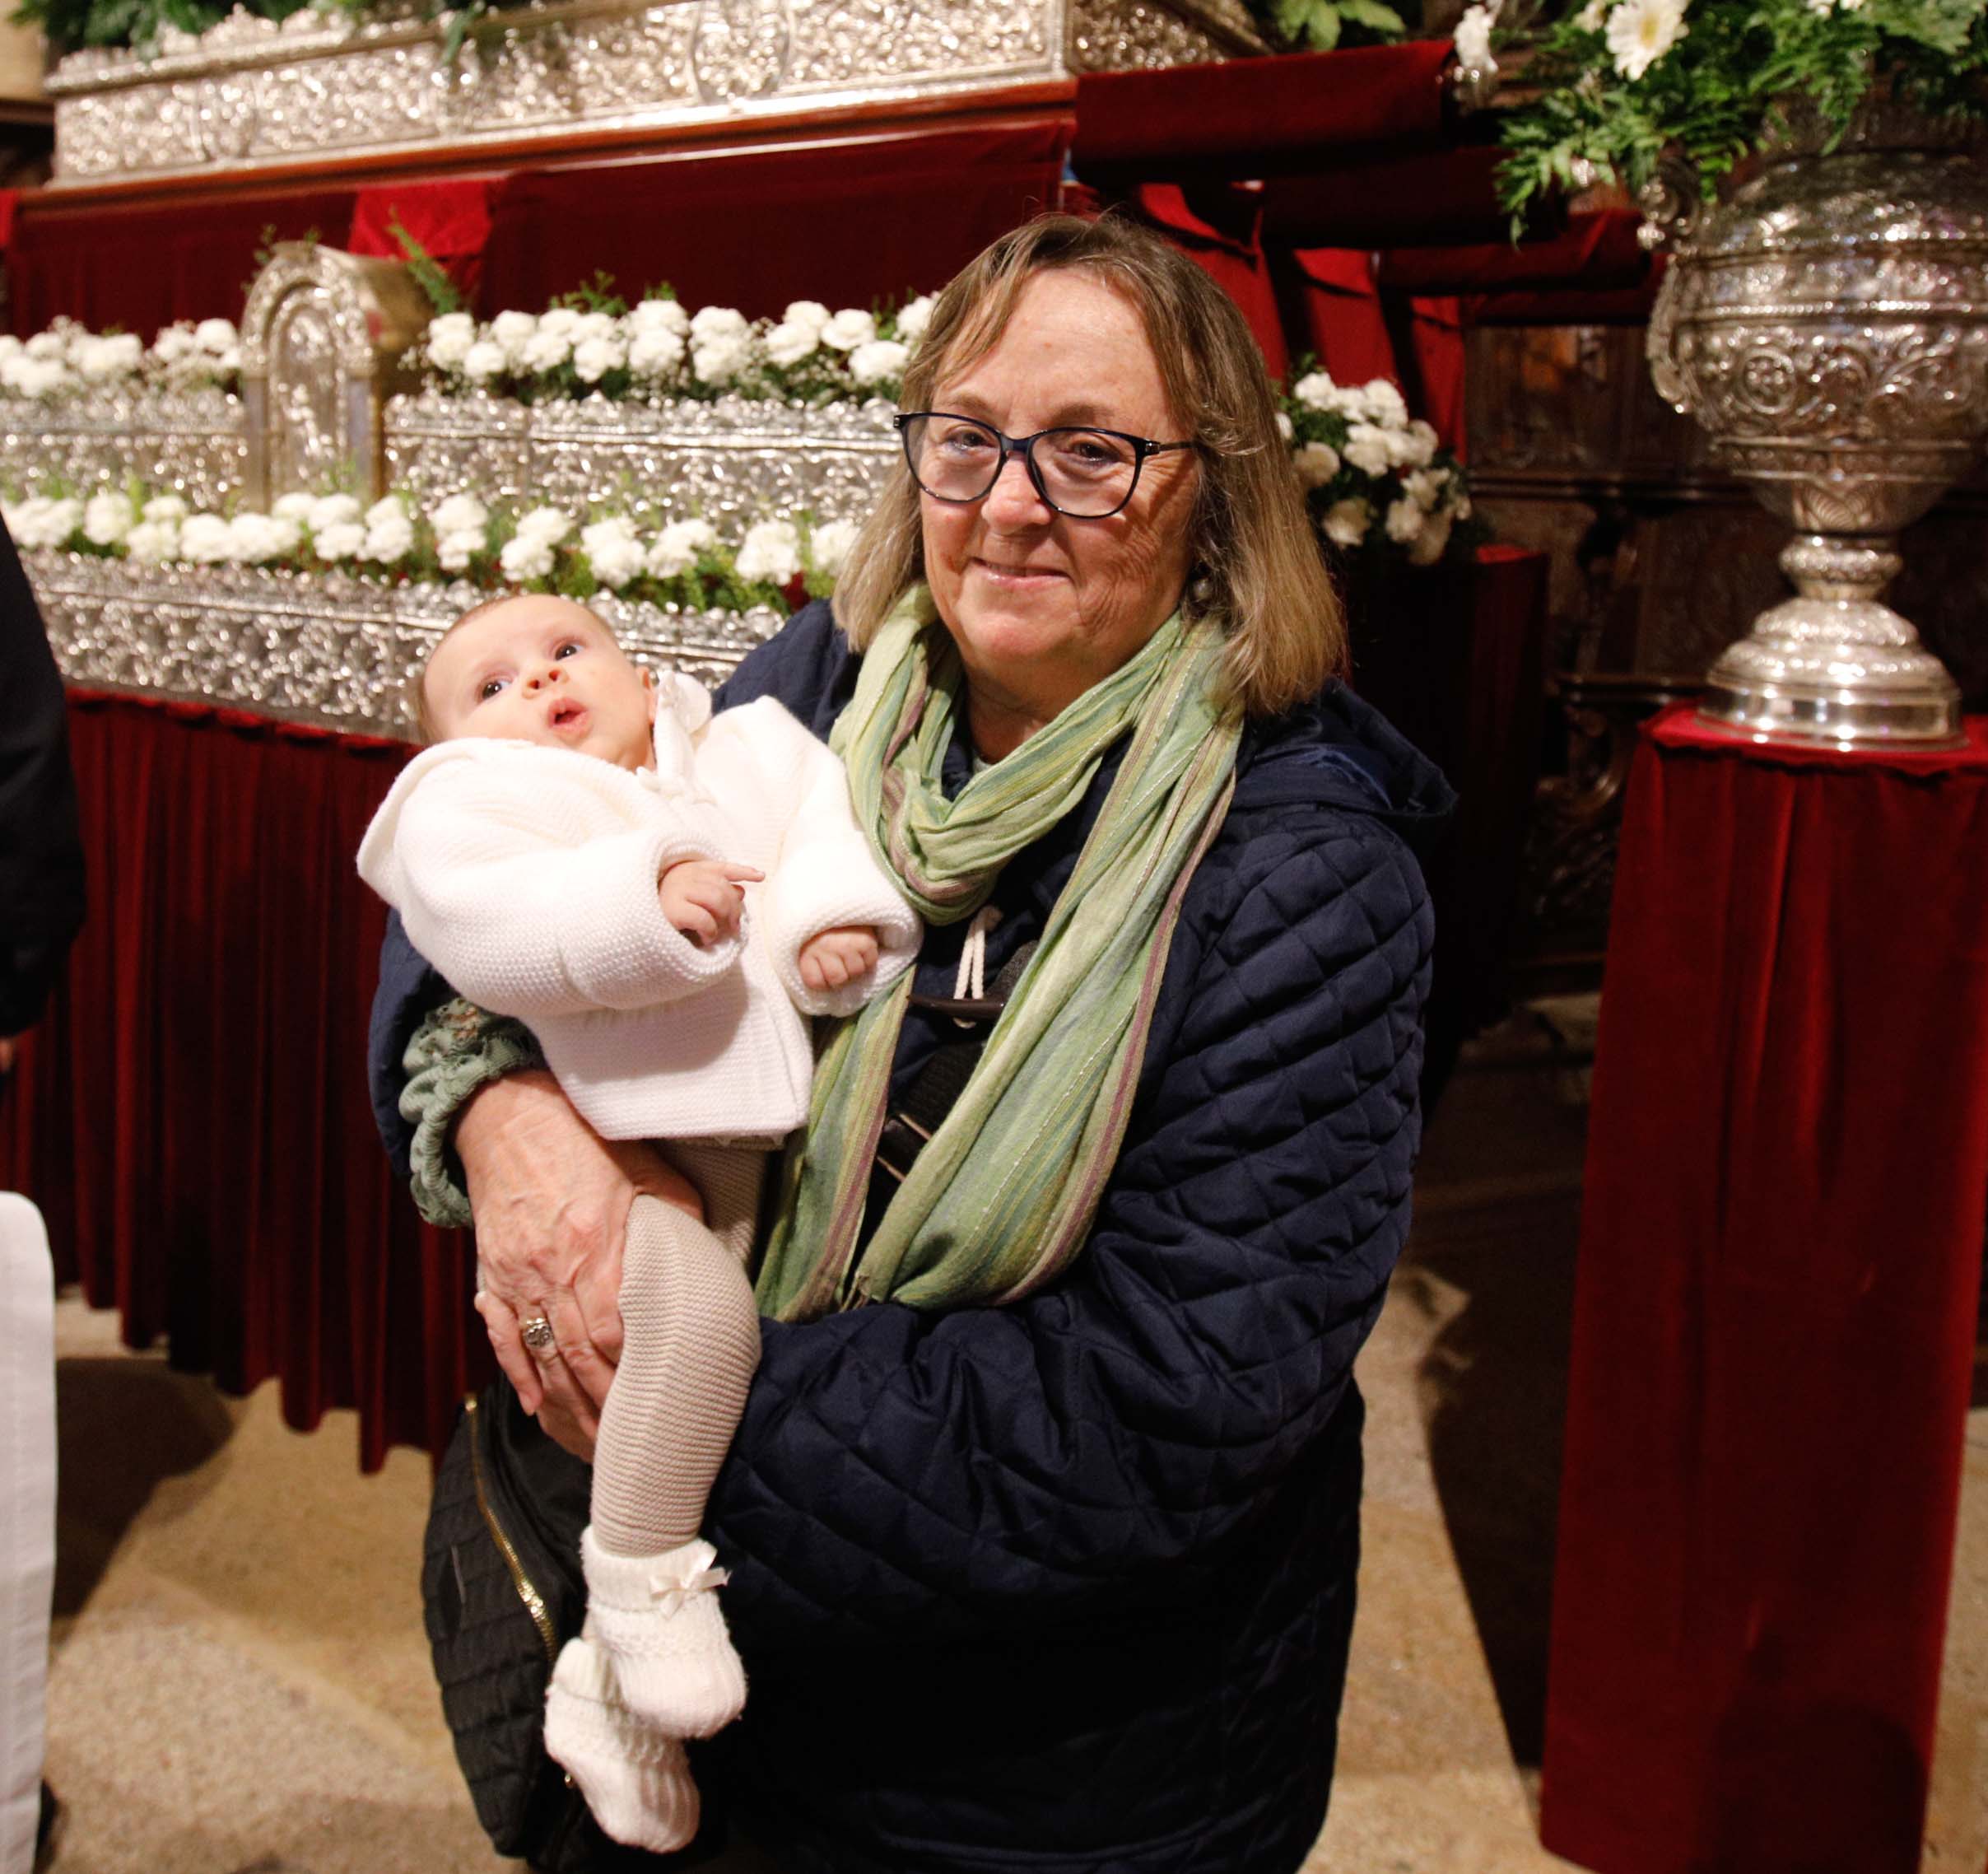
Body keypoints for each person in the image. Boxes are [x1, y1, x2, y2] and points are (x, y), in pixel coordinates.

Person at [371, 210, 1451, 1874]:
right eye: (966, 440)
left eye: (1090, 451)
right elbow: (504, 865)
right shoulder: (827, 675)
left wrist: (668, 1407)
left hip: (1042, 1770)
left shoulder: (1303, 863)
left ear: (1216, 497)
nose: (1009, 504)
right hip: (727, 1701)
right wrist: (511, 1121)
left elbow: (1160, 1413)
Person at [359, 592, 919, 1851]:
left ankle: (607, 1689)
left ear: (638, 664)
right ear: (454, 744)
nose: (543, 684)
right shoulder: (474, 803)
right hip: (643, 1136)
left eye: (568, 651)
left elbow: (817, 817)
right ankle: (643, 1575)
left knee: (736, 1372)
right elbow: (480, 926)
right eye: (492, 686)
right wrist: (639, 901)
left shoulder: (743, 737)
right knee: (701, 1336)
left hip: (766, 1143)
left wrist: (833, 922)